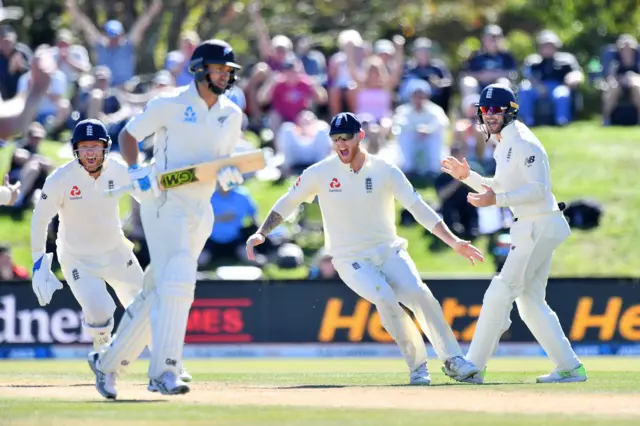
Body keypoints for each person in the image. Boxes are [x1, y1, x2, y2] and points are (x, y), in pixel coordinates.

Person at [246, 112, 484, 385]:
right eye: (335, 139)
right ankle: (418, 366)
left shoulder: (385, 170)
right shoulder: (319, 173)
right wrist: (261, 232)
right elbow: (288, 202)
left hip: (388, 250)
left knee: (419, 294)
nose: (340, 144)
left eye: (345, 137)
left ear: (359, 136)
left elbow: (419, 208)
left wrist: (454, 241)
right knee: (384, 297)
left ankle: (453, 360)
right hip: (349, 259)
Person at [87, 39, 244, 399]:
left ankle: (107, 362)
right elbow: (128, 136)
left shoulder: (231, 114)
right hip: (164, 201)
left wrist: (228, 175)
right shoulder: (170, 104)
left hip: (200, 208)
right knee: (178, 280)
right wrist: (136, 169)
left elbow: (220, 161)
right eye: (219, 69)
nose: (224, 75)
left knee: (157, 291)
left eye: (228, 71)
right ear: (200, 69)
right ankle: (165, 371)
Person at [440, 84, 587, 384]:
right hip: (533, 225)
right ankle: (569, 366)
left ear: (510, 110)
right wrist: (466, 176)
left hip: (538, 224)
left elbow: (537, 190)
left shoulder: (523, 142)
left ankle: (473, 365)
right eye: (486, 110)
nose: (491, 115)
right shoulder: (504, 143)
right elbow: (500, 188)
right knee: (530, 302)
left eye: (497, 109)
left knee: (501, 290)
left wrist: (499, 200)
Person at [30, 119, 145, 352]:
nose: (90, 152)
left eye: (95, 145)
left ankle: (166, 364)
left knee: (147, 308)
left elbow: (149, 199)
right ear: (75, 149)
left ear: (106, 147)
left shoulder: (119, 170)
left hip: (116, 252)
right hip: (78, 258)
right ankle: (102, 349)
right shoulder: (60, 179)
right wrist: (38, 263)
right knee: (100, 310)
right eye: (84, 146)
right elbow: (39, 219)